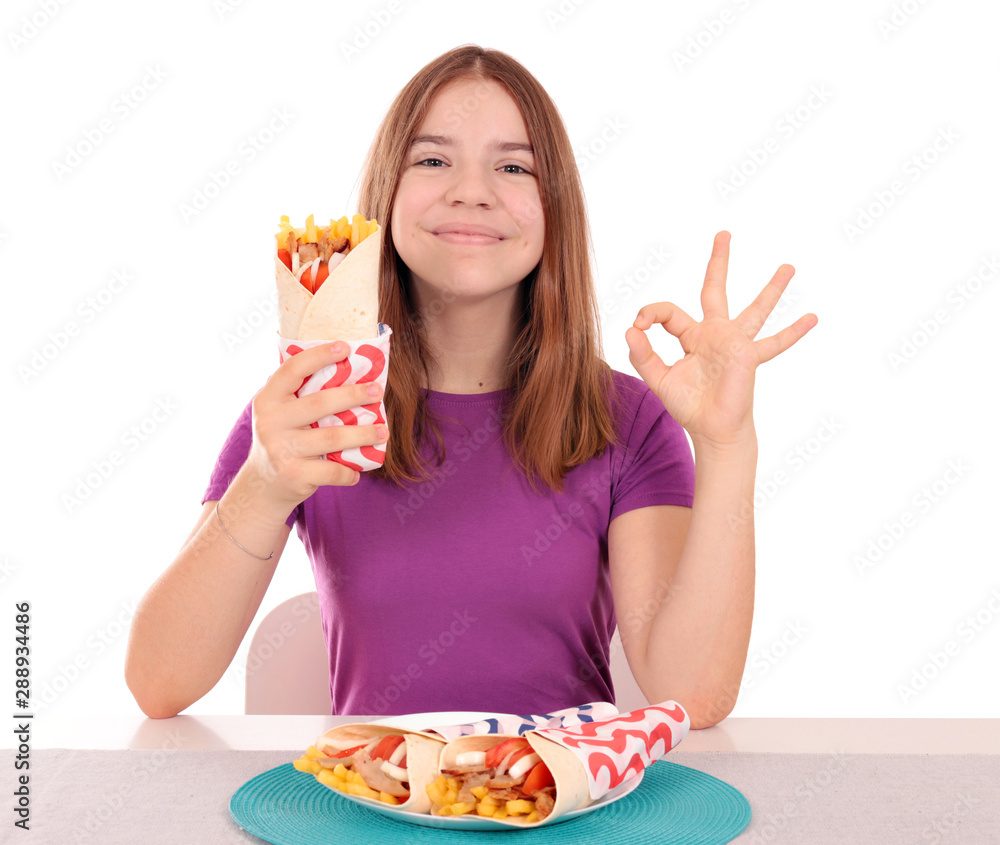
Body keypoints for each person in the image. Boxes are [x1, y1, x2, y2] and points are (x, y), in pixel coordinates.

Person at [125, 45, 816, 727]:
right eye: (432, 159)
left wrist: (726, 446)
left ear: (555, 210)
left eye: (513, 166)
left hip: (565, 824)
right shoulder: (306, 410)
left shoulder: (625, 421)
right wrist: (266, 483)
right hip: (373, 819)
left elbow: (690, 694)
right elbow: (159, 683)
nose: (471, 190)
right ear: (387, 194)